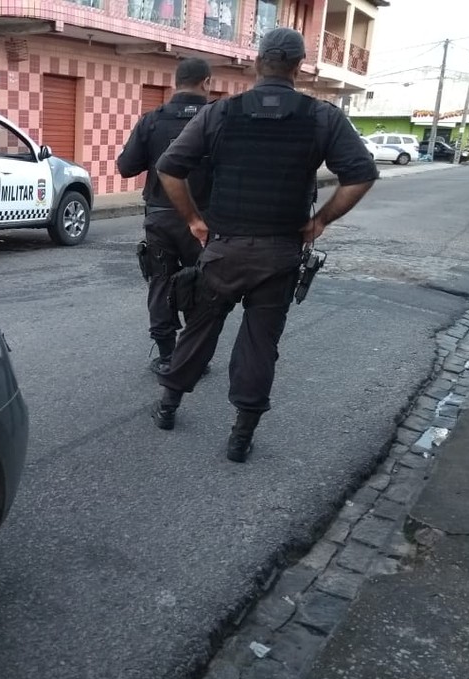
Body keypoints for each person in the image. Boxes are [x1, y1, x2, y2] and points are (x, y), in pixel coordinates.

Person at [150, 26, 378, 462]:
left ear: (257, 63)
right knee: (259, 343)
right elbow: (360, 175)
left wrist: (195, 219)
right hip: (279, 254)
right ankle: (241, 436)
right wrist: (321, 220)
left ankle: (168, 407)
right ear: (298, 67)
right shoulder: (322, 116)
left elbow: (168, 167)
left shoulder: (220, 113)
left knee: (199, 329)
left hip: (223, 249)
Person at [117, 56, 214, 375]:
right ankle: (195, 357)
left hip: (160, 218)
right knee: (202, 285)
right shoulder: (218, 119)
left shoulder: (152, 120)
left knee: (160, 281)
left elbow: (126, 166)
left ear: (176, 82)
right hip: (205, 221)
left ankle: (167, 355)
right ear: (206, 83)